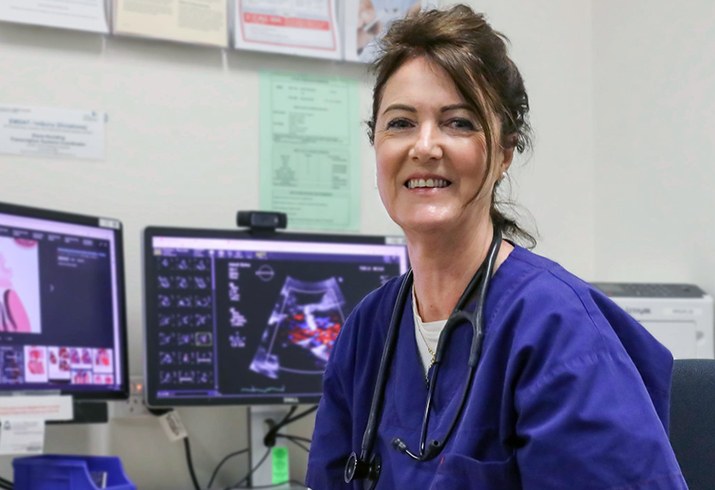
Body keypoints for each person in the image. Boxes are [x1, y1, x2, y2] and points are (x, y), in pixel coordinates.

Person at [306, 5, 687, 490]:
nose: (424, 146)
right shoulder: (367, 334)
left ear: (505, 152)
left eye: (458, 123)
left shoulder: (556, 329)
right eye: (400, 123)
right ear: (376, 145)